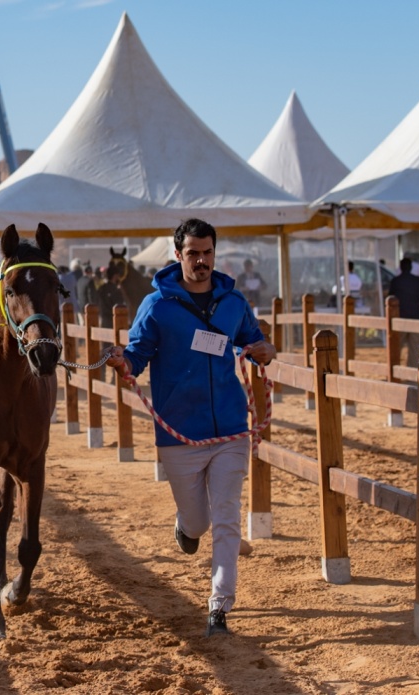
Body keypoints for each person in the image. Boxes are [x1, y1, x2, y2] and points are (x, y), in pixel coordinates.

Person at [105, 218, 276, 637]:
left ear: (215, 253)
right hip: (179, 433)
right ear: (178, 254)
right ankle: (186, 527)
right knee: (199, 522)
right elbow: (138, 356)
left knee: (228, 517)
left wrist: (264, 351)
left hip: (230, 430)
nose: (201, 261)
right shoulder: (157, 306)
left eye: (208, 253)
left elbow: (256, 342)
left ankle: (219, 607)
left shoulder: (233, 301)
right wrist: (123, 363)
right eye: (193, 253)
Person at [388, 257, 419, 368]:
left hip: (400, 318)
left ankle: (395, 373)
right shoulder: (418, 281)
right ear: (411, 268)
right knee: (415, 348)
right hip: (416, 316)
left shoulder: (396, 281)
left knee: (397, 347)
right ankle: (413, 375)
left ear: (400, 268)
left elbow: (390, 298)